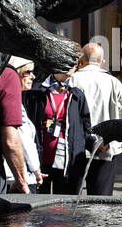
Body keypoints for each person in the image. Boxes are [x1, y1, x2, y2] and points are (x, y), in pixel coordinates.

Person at [68, 42, 122, 195]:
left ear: (81, 60)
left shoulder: (72, 80)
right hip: (105, 149)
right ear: (101, 62)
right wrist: (113, 143)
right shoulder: (114, 82)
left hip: (76, 149)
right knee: (101, 205)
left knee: (68, 203)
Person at [25, 61, 92, 194]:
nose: (71, 67)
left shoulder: (76, 94)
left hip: (66, 157)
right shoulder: (37, 92)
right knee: (38, 203)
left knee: (62, 205)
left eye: (74, 64)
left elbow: (85, 126)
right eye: (67, 62)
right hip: (40, 157)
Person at [0, 60, 31, 197]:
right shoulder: (6, 74)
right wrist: (21, 180)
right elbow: (10, 141)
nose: (33, 76)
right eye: (28, 72)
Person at [3, 58, 42, 190]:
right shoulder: (13, 103)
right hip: (17, 178)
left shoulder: (14, 100)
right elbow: (23, 141)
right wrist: (36, 169)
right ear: (17, 73)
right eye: (28, 72)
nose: (33, 76)